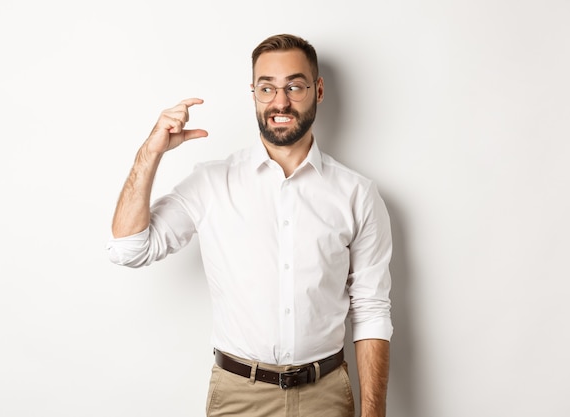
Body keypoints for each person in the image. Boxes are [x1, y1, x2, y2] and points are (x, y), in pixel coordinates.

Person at [107, 33, 393, 417]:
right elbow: (128, 249)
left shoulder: (357, 193)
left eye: (295, 86)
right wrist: (151, 151)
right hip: (239, 397)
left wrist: (373, 413)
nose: (280, 101)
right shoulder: (211, 183)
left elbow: (372, 310)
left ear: (318, 90)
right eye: (267, 88)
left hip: (326, 395)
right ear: (254, 93)